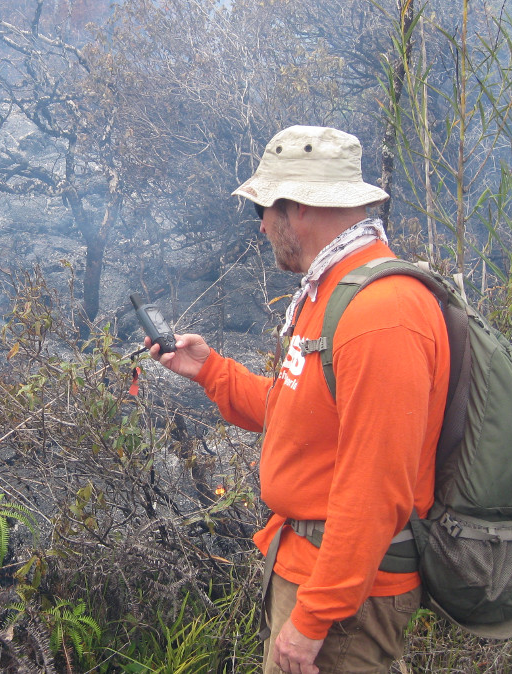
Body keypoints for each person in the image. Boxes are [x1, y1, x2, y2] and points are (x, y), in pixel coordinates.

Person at [147, 126, 450, 673]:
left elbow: (377, 486)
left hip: (343, 603)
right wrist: (209, 370)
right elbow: (297, 416)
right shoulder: (333, 292)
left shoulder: (381, 314)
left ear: (301, 206)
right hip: (313, 575)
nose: (261, 224)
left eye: (264, 207)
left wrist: (313, 618)